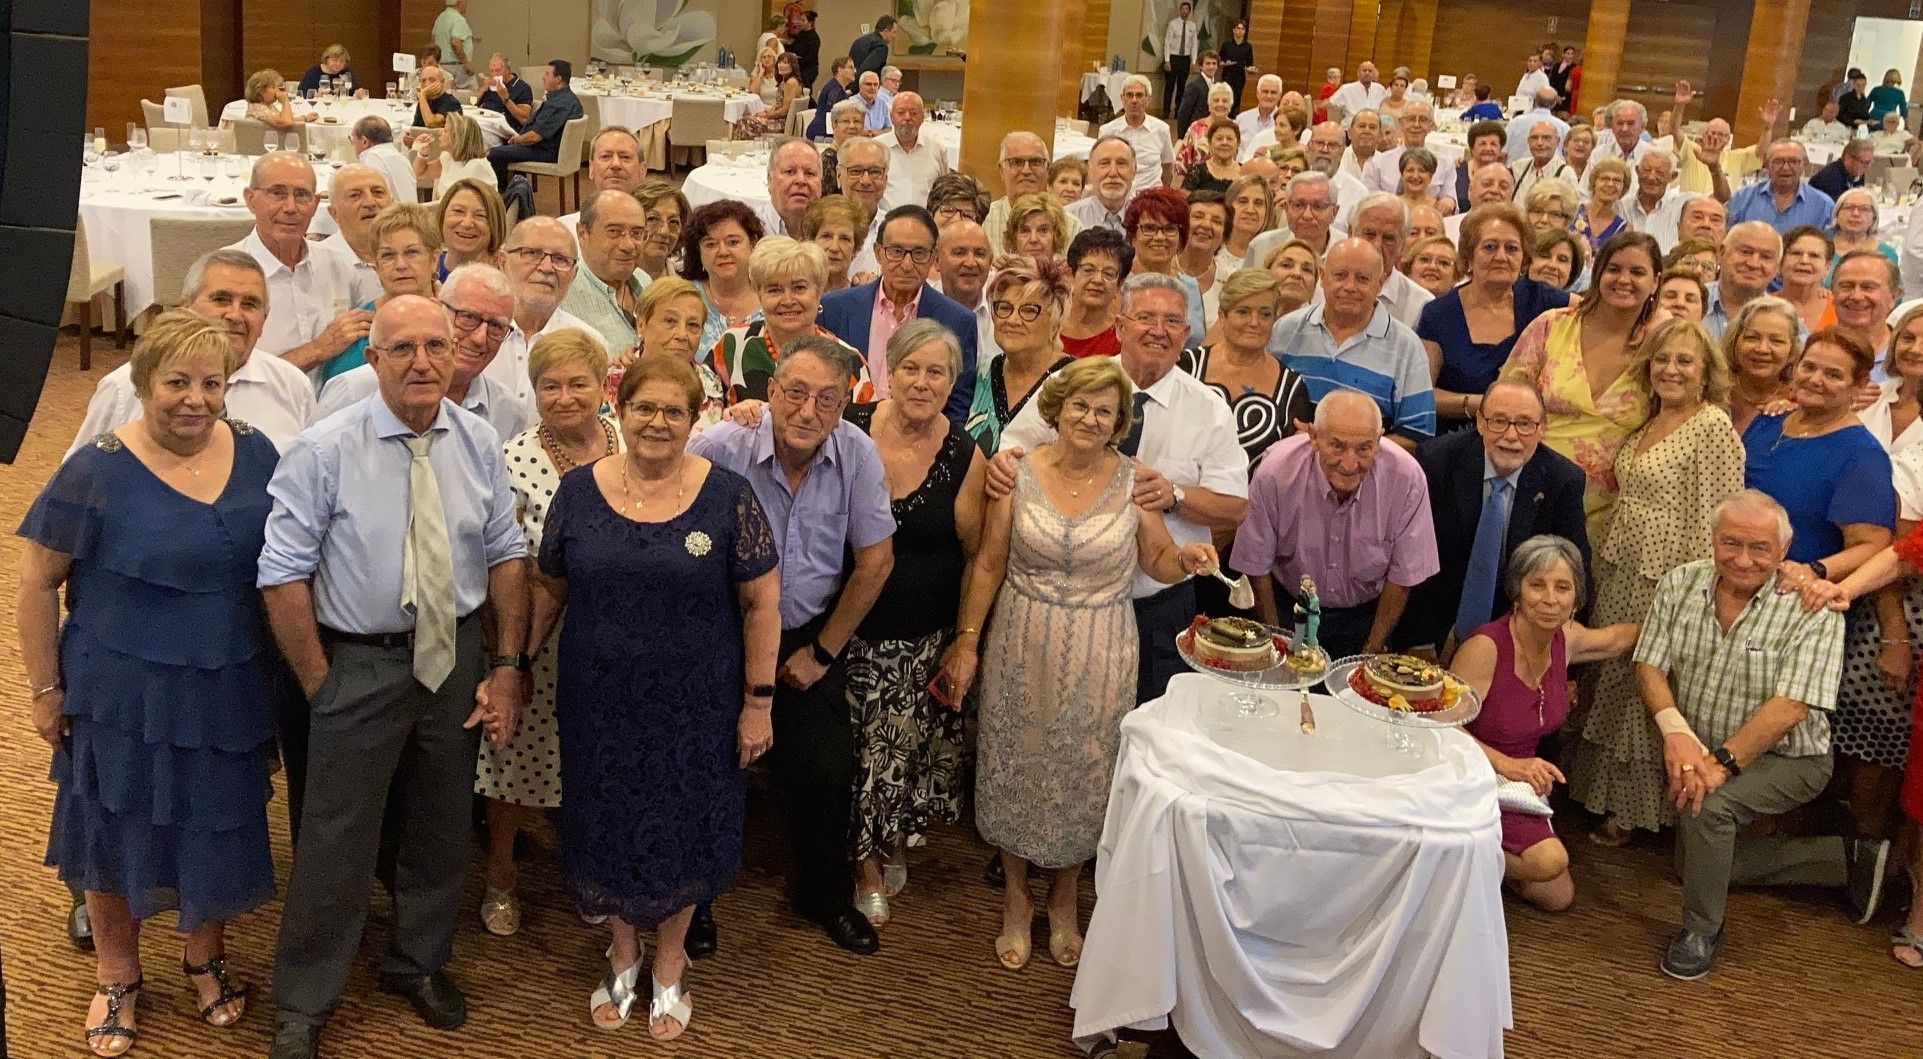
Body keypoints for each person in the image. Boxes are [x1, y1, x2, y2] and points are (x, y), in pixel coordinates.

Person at [262, 295, 528, 1059]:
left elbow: (506, 553)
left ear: (455, 356)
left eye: (436, 346)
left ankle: (418, 962)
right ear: (372, 359)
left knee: (441, 823)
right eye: (402, 348)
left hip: (456, 658)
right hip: (359, 661)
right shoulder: (323, 448)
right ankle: (304, 1002)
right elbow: (281, 575)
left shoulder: (476, 440)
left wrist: (506, 665)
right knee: (334, 838)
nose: (422, 361)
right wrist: (321, 682)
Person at [22, 311, 281, 1056]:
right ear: (140, 384)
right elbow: (37, 582)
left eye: (212, 382)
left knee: (216, 817)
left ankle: (204, 955)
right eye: (177, 381)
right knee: (115, 825)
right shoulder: (96, 467)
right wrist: (45, 689)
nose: (195, 398)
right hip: (120, 689)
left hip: (227, 678)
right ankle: (118, 974)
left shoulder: (257, 450)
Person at [524, 349, 778, 1032]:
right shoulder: (578, 490)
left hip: (698, 704)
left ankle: (669, 961)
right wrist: (513, 664)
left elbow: (762, 603)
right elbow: (549, 588)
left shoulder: (728, 495)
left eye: (673, 409)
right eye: (645, 407)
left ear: (695, 417)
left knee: (687, 824)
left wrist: (759, 701)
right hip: (597, 700)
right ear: (621, 410)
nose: (657, 421)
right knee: (602, 819)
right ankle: (622, 946)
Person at [961, 355, 1219, 970]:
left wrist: (1186, 561)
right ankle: (1018, 896)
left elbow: (1155, 558)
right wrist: (968, 638)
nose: (1091, 418)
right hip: (1022, 635)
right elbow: (991, 562)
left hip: (1103, 643)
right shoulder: (1017, 472)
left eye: (1105, 411)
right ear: (1058, 408)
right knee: (1016, 755)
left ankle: (1068, 894)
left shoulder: (1136, 481)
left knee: (1085, 765)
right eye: (1080, 405)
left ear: (1119, 422)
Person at [686, 337, 895, 958]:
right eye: (795, 393)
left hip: (806, 637)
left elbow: (876, 561)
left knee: (827, 768)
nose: (808, 410)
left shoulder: (856, 453)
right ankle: (692, 902)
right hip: (720, 633)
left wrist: (824, 653)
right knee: (705, 763)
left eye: (827, 399)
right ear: (770, 392)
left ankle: (824, 895)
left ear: (843, 407)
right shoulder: (719, 449)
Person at [1635, 490, 1886, 980]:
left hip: (1792, 757)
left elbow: (1791, 708)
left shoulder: (1813, 607)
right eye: (1731, 544)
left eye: (1760, 549)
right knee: (1691, 866)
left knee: (1710, 810)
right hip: (1703, 745)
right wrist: (1675, 732)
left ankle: (1701, 930)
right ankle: (1840, 859)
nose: (1744, 560)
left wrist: (1718, 764)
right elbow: (1648, 663)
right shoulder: (1679, 583)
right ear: (1712, 541)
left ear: (1783, 552)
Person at [991, 272, 1246, 700]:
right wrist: (1001, 465)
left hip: (1157, 605)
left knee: (1148, 733)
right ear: (1119, 324)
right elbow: (1013, 452)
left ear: (1186, 333)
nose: (1158, 331)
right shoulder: (1069, 385)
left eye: (1171, 321)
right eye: (1146, 317)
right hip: (1062, 604)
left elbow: (1235, 507)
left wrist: (1176, 497)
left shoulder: (1210, 410)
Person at [1568, 318, 1746, 844]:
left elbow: (1718, 517)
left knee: (1645, 680)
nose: (1671, 369)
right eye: (1662, 359)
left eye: (1684, 361)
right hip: (1621, 563)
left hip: (1668, 574)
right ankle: (1595, 792)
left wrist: (1692, 592)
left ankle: (1633, 809)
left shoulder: (1712, 425)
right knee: (1613, 676)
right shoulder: (1649, 419)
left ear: (1706, 371)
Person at [472, 329, 622, 940]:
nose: (564, 397)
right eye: (549, 386)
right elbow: (498, 559)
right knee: (515, 758)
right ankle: (501, 875)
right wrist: (512, 654)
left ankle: (591, 871)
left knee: (600, 760)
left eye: (577, 383)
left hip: (616, 634)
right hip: (536, 633)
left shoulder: (626, 439)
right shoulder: (512, 457)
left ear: (602, 385)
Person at [840, 321, 986, 925]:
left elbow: (977, 554)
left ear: (953, 382)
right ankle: (864, 864)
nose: (922, 383)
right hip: (842, 629)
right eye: (911, 369)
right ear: (889, 371)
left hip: (920, 638)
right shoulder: (846, 426)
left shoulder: (967, 454)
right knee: (854, 757)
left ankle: (888, 840)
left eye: (937, 372)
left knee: (900, 756)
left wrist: (965, 640)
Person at [1452, 537, 1637, 909]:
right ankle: (1454, 857)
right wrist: (1508, 765)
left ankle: (1479, 859)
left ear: (1576, 599)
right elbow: (1444, 727)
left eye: (1562, 587)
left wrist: (1686, 614)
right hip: (1467, 772)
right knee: (1551, 862)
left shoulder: (1565, 638)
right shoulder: (1485, 648)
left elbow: (1619, 639)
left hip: (1520, 782)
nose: (1550, 598)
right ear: (1516, 591)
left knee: (1556, 896)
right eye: (1537, 585)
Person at [1232, 389, 1438, 657]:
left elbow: (1403, 576)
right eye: (1337, 446)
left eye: (1364, 448)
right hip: (1288, 607)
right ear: (1314, 437)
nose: (1350, 463)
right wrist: (1276, 642)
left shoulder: (1407, 479)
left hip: (1365, 615)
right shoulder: (1275, 473)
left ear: (1379, 440)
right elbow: (1255, 566)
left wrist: (1372, 649)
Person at [1403, 379, 1590, 653]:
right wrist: (1418, 640)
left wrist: (1568, 668)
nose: (1511, 436)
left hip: (1516, 634)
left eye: (1525, 424)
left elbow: (1577, 570)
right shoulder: (1436, 462)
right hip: (1435, 621)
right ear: (1479, 422)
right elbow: (1412, 559)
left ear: (1542, 428)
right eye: (1499, 421)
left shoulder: (1562, 480)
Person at [70, 250, 315, 456]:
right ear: (186, 308)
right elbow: (76, 487)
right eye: (221, 299)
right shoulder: (125, 388)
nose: (235, 315)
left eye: (250, 304)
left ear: (265, 318)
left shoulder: (292, 386)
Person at [1501, 231, 1662, 540]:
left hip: (1608, 520)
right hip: (1528, 494)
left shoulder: (1658, 347)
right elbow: (1505, 403)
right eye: (1614, 269)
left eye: (1637, 272)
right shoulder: (1552, 325)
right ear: (1597, 272)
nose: (1623, 279)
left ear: (1655, 281)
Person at [1741, 327, 1896, 591]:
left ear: (1859, 385)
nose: (1815, 379)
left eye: (1833, 375)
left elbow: (1873, 545)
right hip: (1736, 577)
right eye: (1809, 367)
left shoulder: (1862, 455)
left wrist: (1814, 571)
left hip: (1795, 597)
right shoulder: (1766, 422)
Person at [315, 264, 533, 447]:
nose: (479, 337)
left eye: (496, 326)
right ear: (437, 308)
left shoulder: (507, 412)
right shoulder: (354, 390)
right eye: (468, 317)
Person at [817, 205, 979, 420]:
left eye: (919, 253)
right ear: (878, 252)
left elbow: (957, 407)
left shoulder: (958, 321)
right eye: (896, 251)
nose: (907, 264)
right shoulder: (834, 309)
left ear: (934, 257)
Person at [1271, 237, 1436, 441]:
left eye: (1362, 278)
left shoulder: (1406, 347)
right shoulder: (1285, 329)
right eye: (1340, 275)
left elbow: (1417, 436)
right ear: (1322, 277)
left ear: (1380, 284)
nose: (1350, 286)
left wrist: (1340, 446)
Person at [1421, 203, 1571, 425]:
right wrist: (1481, 404)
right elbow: (1423, 395)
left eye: (1511, 249)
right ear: (1469, 258)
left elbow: (1598, 310)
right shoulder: (1438, 313)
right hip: (1460, 435)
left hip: (1529, 435)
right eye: (1490, 247)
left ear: (1524, 260)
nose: (1501, 257)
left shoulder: (1541, 299)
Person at [226, 153, 362, 370]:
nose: (290, 207)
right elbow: (226, 375)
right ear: (250, 199)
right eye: (277, 193)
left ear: (316, 204)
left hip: (337, 400)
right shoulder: (225, 275)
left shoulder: (337, 265)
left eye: (301, 195)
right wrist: (317, 350)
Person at [712, 236, 871, 406]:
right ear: (759, 295)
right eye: (774, 290)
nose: (788, 301)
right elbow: (702, 416)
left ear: (818, 293)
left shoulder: (849, 361)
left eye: (799, 288)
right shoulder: (731, 345)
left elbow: (864, 429)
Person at [1179, 267, 1313, 465]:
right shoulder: (1186, 366)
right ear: (1222, 317)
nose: (1254, 322)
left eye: (1265, 314)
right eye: (1243, 312)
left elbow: (1290, 464)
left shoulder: (1292, 387)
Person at [315, 202, 440, 383]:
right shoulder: (352, 333)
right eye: (388, 255)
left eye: (411, 252)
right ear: (376, 267)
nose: (401, 265)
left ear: (434, 259)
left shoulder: (456, 320)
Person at [966, 255, 1076, 451]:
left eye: (1028, 310)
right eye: (1005, 308)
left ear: (1055, 322)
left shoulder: (1076, 381)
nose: (1013, 320)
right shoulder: (983, 373)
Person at [483, 217, 591, 408]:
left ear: (574, 274)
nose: (547, 268)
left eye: (560, 259)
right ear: (501, 262)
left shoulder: (589, 344)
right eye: (532, 253)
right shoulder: (469, 335)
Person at [679, 200, 765, 359]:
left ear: (753, 243)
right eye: (710, 244)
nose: (723, 252)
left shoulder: (774, 297)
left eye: (733, 242)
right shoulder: (682, 297)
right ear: (698, 252)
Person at [487, 61, 583, 189]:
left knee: (493, 153)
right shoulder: (565, 98)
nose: (543, 77)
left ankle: (503, 196)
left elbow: (535, 137)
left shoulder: (560, 104)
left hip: (545, 150)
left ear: (558, 79)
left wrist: (517, 139)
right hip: (546, 147)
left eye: (547, 74)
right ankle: (519, 191)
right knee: (504, 145)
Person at [1722, 296, 1803, 435]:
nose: (1762, 349)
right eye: (1752, 338)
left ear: (1792, 350)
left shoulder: (1801, 398)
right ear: (1735, 341)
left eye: (1776, 341)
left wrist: (1798, 415)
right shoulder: (1713, 388)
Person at [1727, 140, 1836, 235]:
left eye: (1793, 161)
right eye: (1778, 161)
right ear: (1766, 165)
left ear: (1805, 165)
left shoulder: (1824, 206)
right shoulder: (1743, 197)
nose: (1785, 167)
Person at [1703, 222, 1785, 341]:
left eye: (1766, 257)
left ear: (1778, 267)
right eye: (1745, 252)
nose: (1753, 264)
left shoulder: (1784, 319)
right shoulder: (1686, 301)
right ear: (1721, 253)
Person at [1059, 228, 1132, 359]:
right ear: (1070, 275)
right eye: (1088, 270)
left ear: (1119, 284)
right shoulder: (1049, 326)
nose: (1098, 280)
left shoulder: (1123, 337)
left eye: (1109, 274)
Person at [1100, 76, 1177, 196]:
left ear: (1148, 99)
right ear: (1122, 99)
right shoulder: (1107, 131)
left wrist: (1161, 195)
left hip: (1151, 198)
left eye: (1139, 95)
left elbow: (1167, 166)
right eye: (1129, 95)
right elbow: (1100, 166)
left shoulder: (1161, 130)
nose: (1134, 100)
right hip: (1117, 197)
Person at [879, 93, 949, 213]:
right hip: (886, 223)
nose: (907, 117)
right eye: (901, 113)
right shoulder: (877, 148)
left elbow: (944, 190)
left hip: (927, 223)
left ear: (923, 117)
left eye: (914, 113)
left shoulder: (937, 149)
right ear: (891, 117)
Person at [434, 178, 507, 282]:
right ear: (442, 216)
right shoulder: (426, 271)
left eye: (480, 215)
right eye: (458, 211)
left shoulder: (508, 277)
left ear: (496, 226)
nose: (467, 223)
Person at [411, 112, 495, 199]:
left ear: (458, 137)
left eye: (445, 130)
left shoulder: (477, 167)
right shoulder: (448, 158)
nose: (439, 133)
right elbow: (419, 174)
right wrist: (422, 153)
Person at [1067, 136, 1137, 236]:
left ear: (1134, 171)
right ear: (1089, 171)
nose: (1113, 172)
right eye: (1104, 163)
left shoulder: (1148, 218)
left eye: (1121, 163)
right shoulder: (1069, 219)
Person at [803, 194, 867, 293]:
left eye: (844, 239)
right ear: (811, 241)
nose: (834, 247)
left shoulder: (863, 296)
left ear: (855, 248)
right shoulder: (796, 296)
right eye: (826, 236)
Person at [1778, 226, 1837, 332]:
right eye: (1796, 253)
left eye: (1814, 256)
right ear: (1781, 261)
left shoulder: (1840, 308)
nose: (1804, 261)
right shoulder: (1764, 306)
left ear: (1827, 268)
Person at [347, 117, 416, 204]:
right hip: (411, 214)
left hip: (391, 215)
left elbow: (374, 200)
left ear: (364, 142)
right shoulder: (402, 158)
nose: (352, 143)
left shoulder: (372, 157)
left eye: (352, 139)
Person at [1830, 188, 1900, 273]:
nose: (1855, 213)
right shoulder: (1822, 247)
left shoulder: (1887, 253)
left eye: (1864, 209)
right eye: (1849, 207)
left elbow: (1893, 285)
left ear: (1874, 218)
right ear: (1837, 214)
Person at [1574, 157, 1631, 254]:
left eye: (1617, 180)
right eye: (1604, 178)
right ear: (1593, 183)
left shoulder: (1624, 229)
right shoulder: (1573, 212)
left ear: (1623, 188)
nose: (1610, 184)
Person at [1181, 116, 1242, 195]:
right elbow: (1182, 204)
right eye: (1219, 138)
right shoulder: (1196, 172)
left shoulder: (1245, 172)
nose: (1224, 143)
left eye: (1229, 139)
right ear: (1210, 143)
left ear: (1238, 143)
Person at [1004, 192, 1070, 261]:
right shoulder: (1000, 271)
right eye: (1025, 231)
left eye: (1043, 230)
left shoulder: (1070, 271)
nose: (1033, 239)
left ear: (1056, 236)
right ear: (1014, 238)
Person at [242, 69, 316, 131]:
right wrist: (285, 102)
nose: (278, 91)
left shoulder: (268, 106)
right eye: (274, 87)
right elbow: (287, 122)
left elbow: (284, 119)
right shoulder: (257, 108)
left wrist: (304, 118)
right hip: (264, 146)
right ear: (261, 90)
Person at [477, 55, 534, 132]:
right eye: (492, 71)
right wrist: (482, 89)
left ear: (507, 70)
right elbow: (470, 103)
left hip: (503, 129)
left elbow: (524, 119)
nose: (494, 75)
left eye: (498, 70)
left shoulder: (522, 88)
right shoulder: (488, 85)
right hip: (483, 121)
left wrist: (506, 99)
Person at [1162, 1, 1199, 119]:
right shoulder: (1173, 24)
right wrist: (1167, 60)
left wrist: (1193, 62)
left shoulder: (1192, 26)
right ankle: (1166, 111)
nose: (1184, 11)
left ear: (1189, 11)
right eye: (1182, 9)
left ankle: (1178, 112)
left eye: (1187, 9)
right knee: (1169, 86)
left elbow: (1194, 45)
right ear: (1180, 10)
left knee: (1182, 87)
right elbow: (1167, 42)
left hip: (1185, 59)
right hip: (1173, 57)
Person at [806, 57, 857, 141]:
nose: (854, 71)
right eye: (851, 67)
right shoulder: (835, 90)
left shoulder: (836, 87)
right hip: (822, 136)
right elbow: (831, 115)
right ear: (840, 70)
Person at [1810, 139, 1875, 205]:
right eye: (1864, 162)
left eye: (1869, 162)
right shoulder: (1831, 177)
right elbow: (1837, 209)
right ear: (1848, 159)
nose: (1868, 166)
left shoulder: (1857, 173)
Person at [1174, 52, 1221, 136]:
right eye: (1208, 63)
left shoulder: (1217, 85)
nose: (1211, 67)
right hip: (1196, 131)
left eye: (1214, 63)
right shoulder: (1194, 85)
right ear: (1201, 66)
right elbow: (1183, 113)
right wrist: (1181, 137)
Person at [432, 0, 476, 87]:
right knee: (472, 93)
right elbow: (455, 42)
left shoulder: (440, 18)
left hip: (442, 66)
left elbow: (434, 39)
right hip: (457, 67)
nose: (466, 4)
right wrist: (466, 63)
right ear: (460, 2)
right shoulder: (458, 19)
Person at [1329, 60, 1387, 125]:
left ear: (1373, 74)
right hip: (1350, 127)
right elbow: (1331, 102)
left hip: (1372, 128)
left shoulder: (1380, 89)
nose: (1367, 73)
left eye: (1370, 71)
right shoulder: (1346, 88)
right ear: (1358, 73)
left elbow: (1388, 104)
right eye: (1364, 70)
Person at [1219, 21, 1256, 112]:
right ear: (1234, 30)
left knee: (1237, 99)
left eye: (1243, 29)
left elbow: (1250, 63)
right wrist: (1224, 63)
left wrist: (1251, 69)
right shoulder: (1226, 44)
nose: (1240, 31)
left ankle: (1233, 119)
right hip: (1227, 75)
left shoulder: (1247, 46)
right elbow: (1219, 60)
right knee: (1227, 96)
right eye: (1238, 28)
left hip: (1240, 76)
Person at [411, 65, 462, 129]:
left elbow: (431, 123)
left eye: (432, 80)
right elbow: (415, 127)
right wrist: (410, 136)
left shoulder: (452, 102)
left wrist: (422, 96)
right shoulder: (424, 100)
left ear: (442, 82)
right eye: (423, 81)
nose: (427, 84)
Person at [788, 9, 821, 88]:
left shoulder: (814, 38)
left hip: (809, 69)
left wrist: (796, 59)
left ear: (810, 22)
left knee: (804, 90)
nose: (800, 22)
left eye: (803, 20)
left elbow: (810, 57)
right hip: (800, 67)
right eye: (800, 19)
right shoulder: (801, 34)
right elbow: (793, 47)